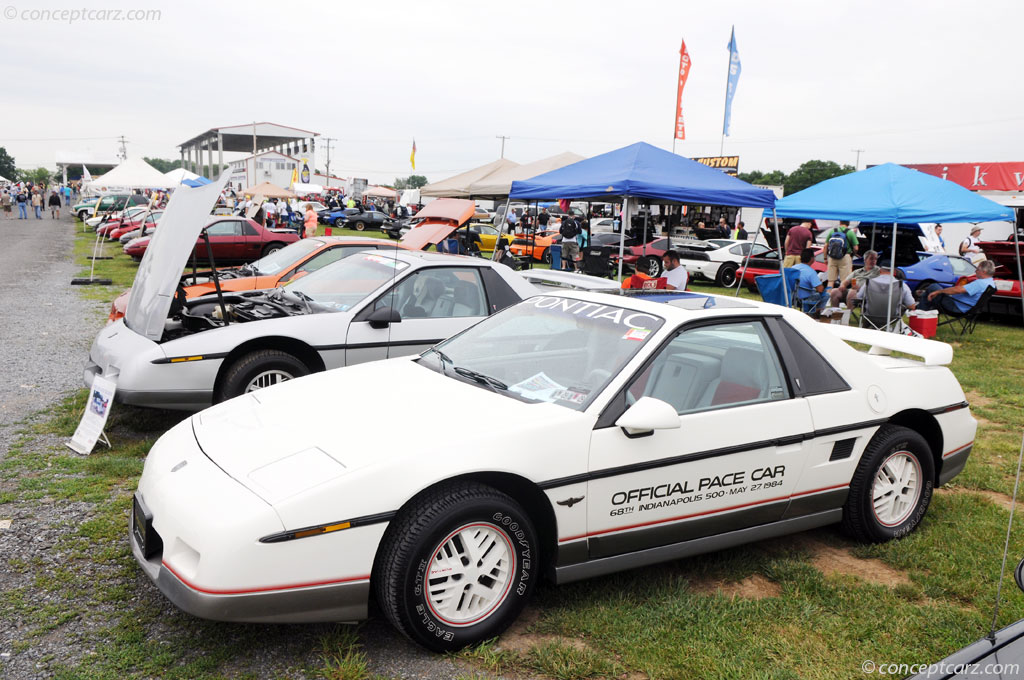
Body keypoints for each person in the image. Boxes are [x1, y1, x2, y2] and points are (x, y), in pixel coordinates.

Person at [918, 259, 995, 314]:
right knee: (935, 291)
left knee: (933, 286)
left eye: (977, 269)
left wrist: (938, 291)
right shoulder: (991, 283)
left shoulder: (980, 283)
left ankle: (919, 312)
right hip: (968, 308)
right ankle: (921, 303)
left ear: (984, 272)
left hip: (956, 307)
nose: (975, 271)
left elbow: (958, 290)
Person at [822, 220, 859, 286]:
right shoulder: (850, 232)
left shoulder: (832, 231)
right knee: (844, 280)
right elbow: (856, 248)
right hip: (845, 257)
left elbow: (825, 246)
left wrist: (825, 258)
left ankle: (829, 295)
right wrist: (852, 254)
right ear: (848, 224)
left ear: (840, 223)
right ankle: (840, 295)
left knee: (830, 280)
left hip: (832, 257)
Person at [794, 248, 827, 314]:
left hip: (792, 297)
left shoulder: (793, 268)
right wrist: (819, 282)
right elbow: (820, 289)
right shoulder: (811, 272)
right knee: (826, 295)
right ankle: (816, 313)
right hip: (805, 298)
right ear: (812, 259)